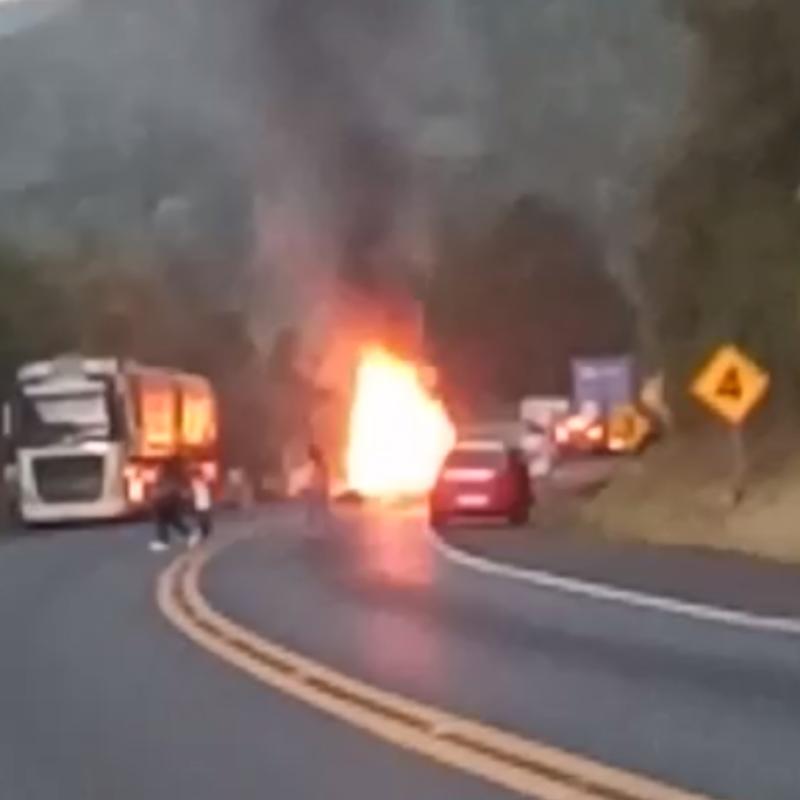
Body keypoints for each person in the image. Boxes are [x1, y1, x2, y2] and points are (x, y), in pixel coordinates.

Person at [149, 456, 191, 552]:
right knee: (173, 519)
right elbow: (182, 486)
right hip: (172, 497)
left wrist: (154, 495)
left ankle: (163, 541)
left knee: (161, 520)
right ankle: (188, 534)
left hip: (163, 498)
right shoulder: (178, 471)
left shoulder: (164, 471)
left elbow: (159, 484)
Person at [305, 444, 330, 537]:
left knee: (316, 512)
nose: (309, 458)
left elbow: (322, 481)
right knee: (313, 512)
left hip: (318, 494)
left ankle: (318, 531)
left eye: (311, 455)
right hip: (316, 493)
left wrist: (318, 491)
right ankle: (315, 531)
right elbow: (317, 480)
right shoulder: (319, 465)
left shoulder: (321, 466)